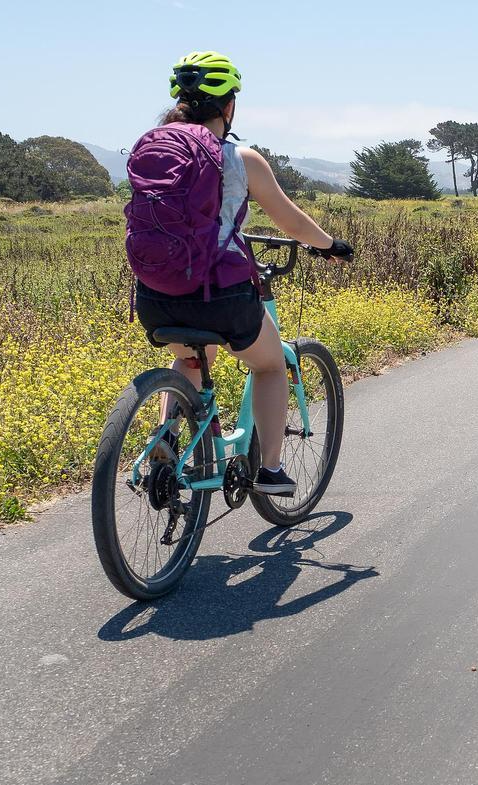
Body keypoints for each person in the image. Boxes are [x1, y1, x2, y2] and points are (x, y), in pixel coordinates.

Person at [130, 51, 353, 496]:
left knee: (192, 358)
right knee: (270, 365)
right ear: (228, 105)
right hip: (221, 296)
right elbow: (290, 221)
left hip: (155, 294)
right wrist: (330, 245)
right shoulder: (240, 159)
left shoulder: (157, 147)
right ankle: (270, 470)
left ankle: (166, 439)